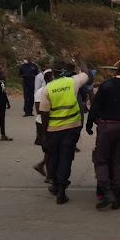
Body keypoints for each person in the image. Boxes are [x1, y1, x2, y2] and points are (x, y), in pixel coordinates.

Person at [85, 60, 120, 209]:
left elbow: (95, 106)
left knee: (101, 159)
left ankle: (106, 189)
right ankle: (117, 194)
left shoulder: (106, 85)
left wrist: (90, 124)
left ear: (117, 70)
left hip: (106, 125)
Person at [40, 54, 90, 205]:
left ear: (53, 72)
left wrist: (44, 136)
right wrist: (79, 58)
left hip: (54, 130)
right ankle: (61, 189)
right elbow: (86, 73)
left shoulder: (47, 89)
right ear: (64, 71)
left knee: (55, 157)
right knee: (66, 158)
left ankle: (55, 185)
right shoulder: (73, 81)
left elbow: (44, 114)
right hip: (72, 128)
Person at [32, 70, 53, 182]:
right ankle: (49, 176)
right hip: (42, 123)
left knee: (51, 150)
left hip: (51, 122)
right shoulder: (41, 91)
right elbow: (39, 110)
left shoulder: (51, 89)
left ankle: (42, 166)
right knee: (48, 150)